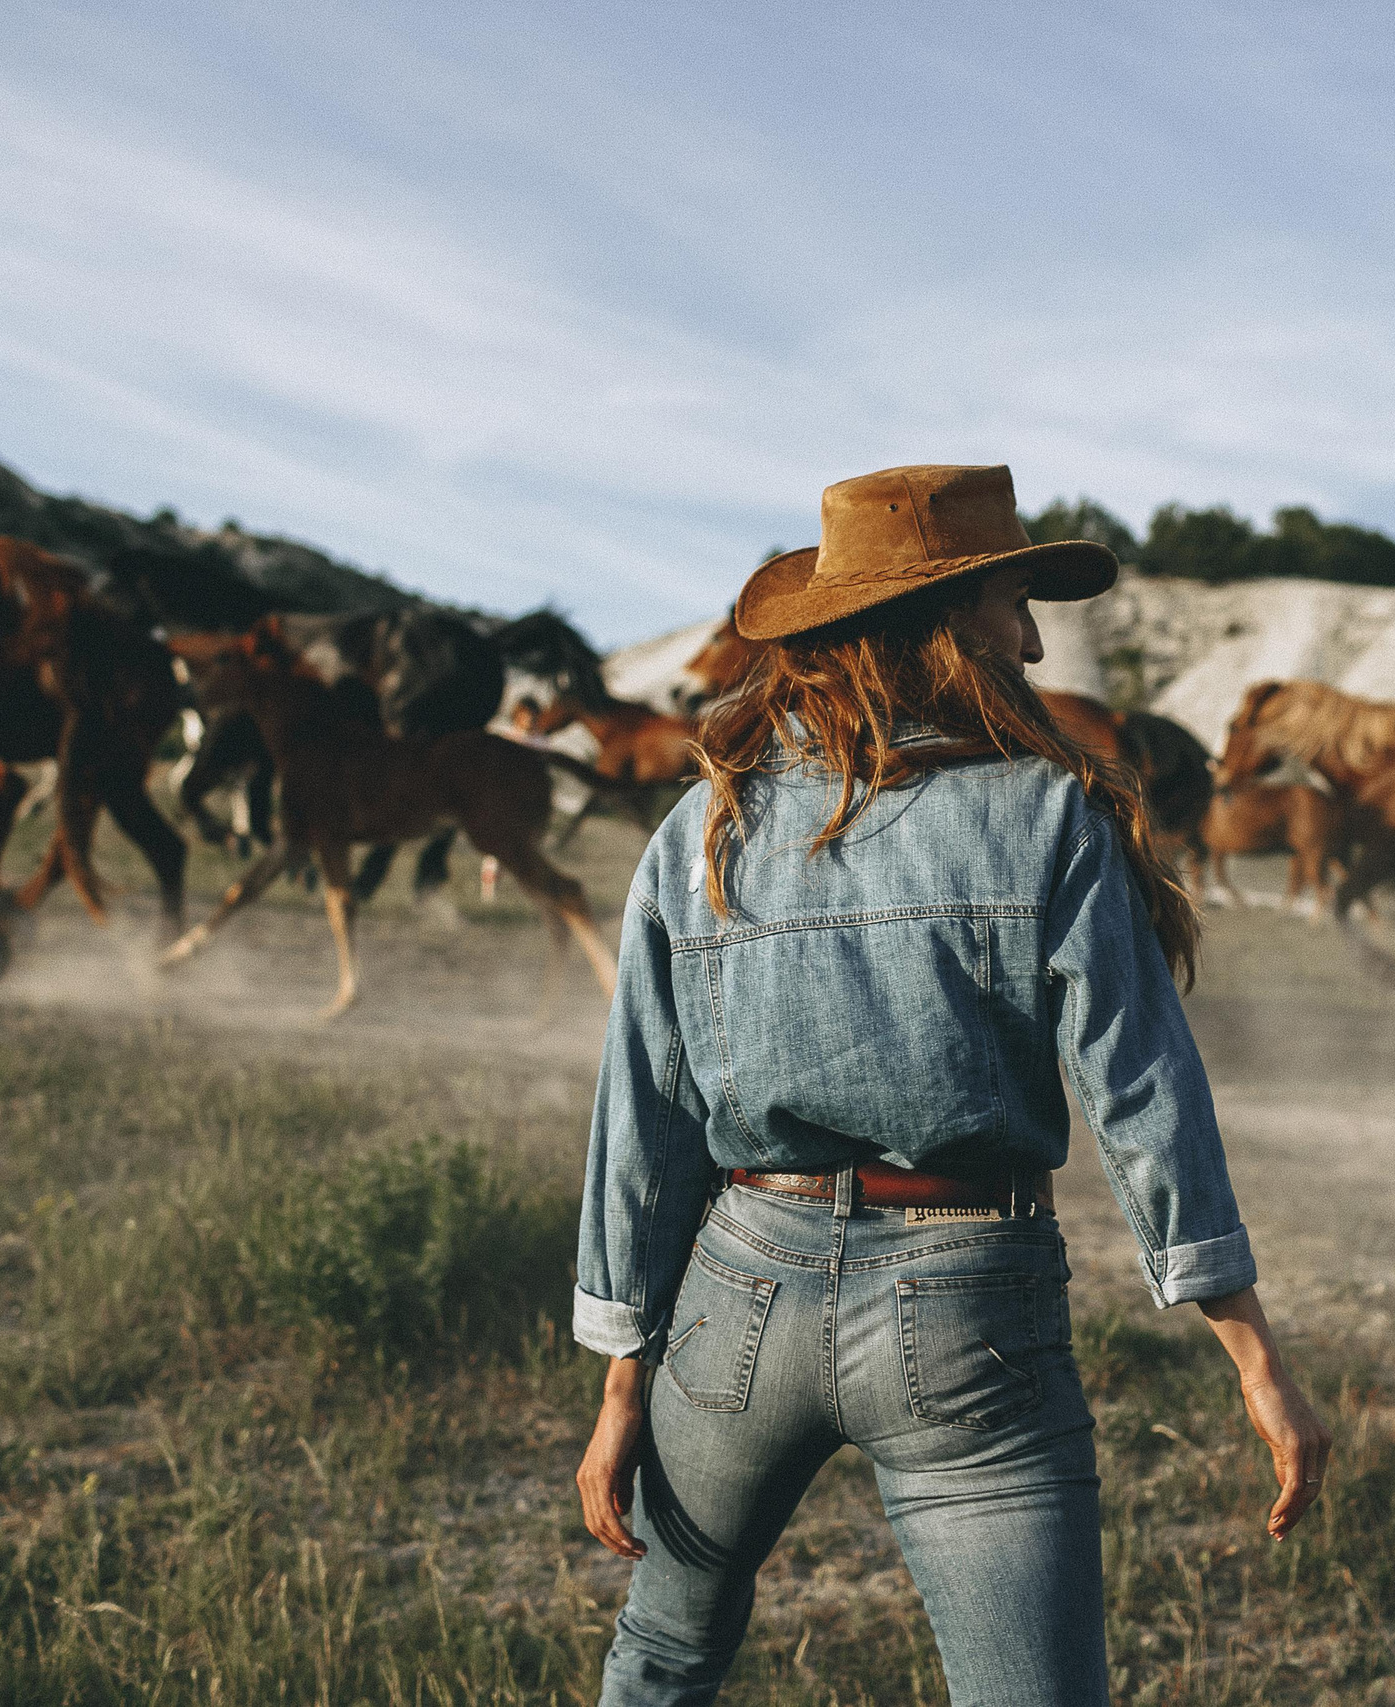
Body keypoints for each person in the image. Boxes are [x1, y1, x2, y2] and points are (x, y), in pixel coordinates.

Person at [572, 463, 1332, 1705]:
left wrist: (622, 1382)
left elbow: (640, 1124)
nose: (1034, 644)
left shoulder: (704, 826)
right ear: (936, 625)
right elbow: (1144, 1099)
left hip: (735, 1295)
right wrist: (1252, 1353)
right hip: (966, 1294)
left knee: (661, 1658)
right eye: (1012, 606)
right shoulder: (1052, 816)